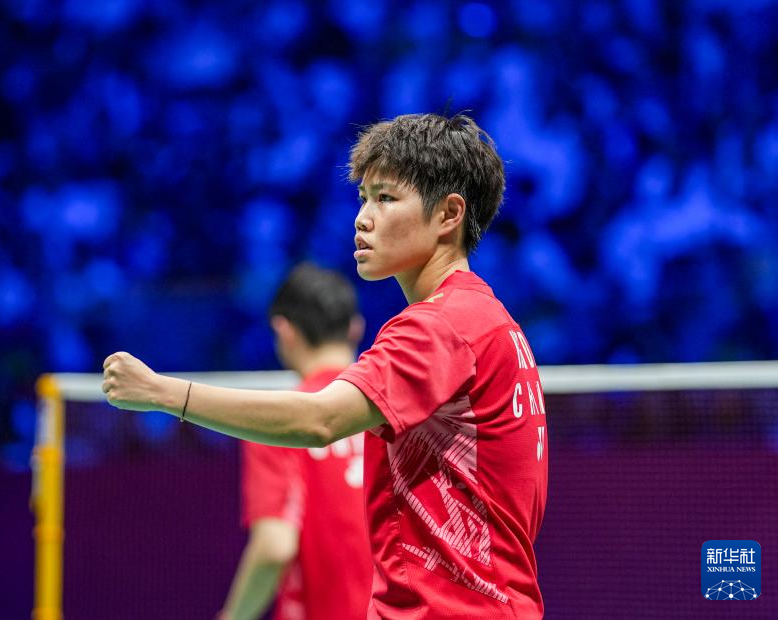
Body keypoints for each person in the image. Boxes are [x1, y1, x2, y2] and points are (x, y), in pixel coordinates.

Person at [102, 113, 548, 618]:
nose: (362, 219)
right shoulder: (493, 323)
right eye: (364, 198)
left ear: (449, 214)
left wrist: (161, 393)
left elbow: (320, 420)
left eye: (386, 198)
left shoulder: (441, 325)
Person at [219, 263, 372, 620]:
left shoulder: (276, 423)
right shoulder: (396, 411)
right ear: (355, 328)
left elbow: (275, 545)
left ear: (283, 330)